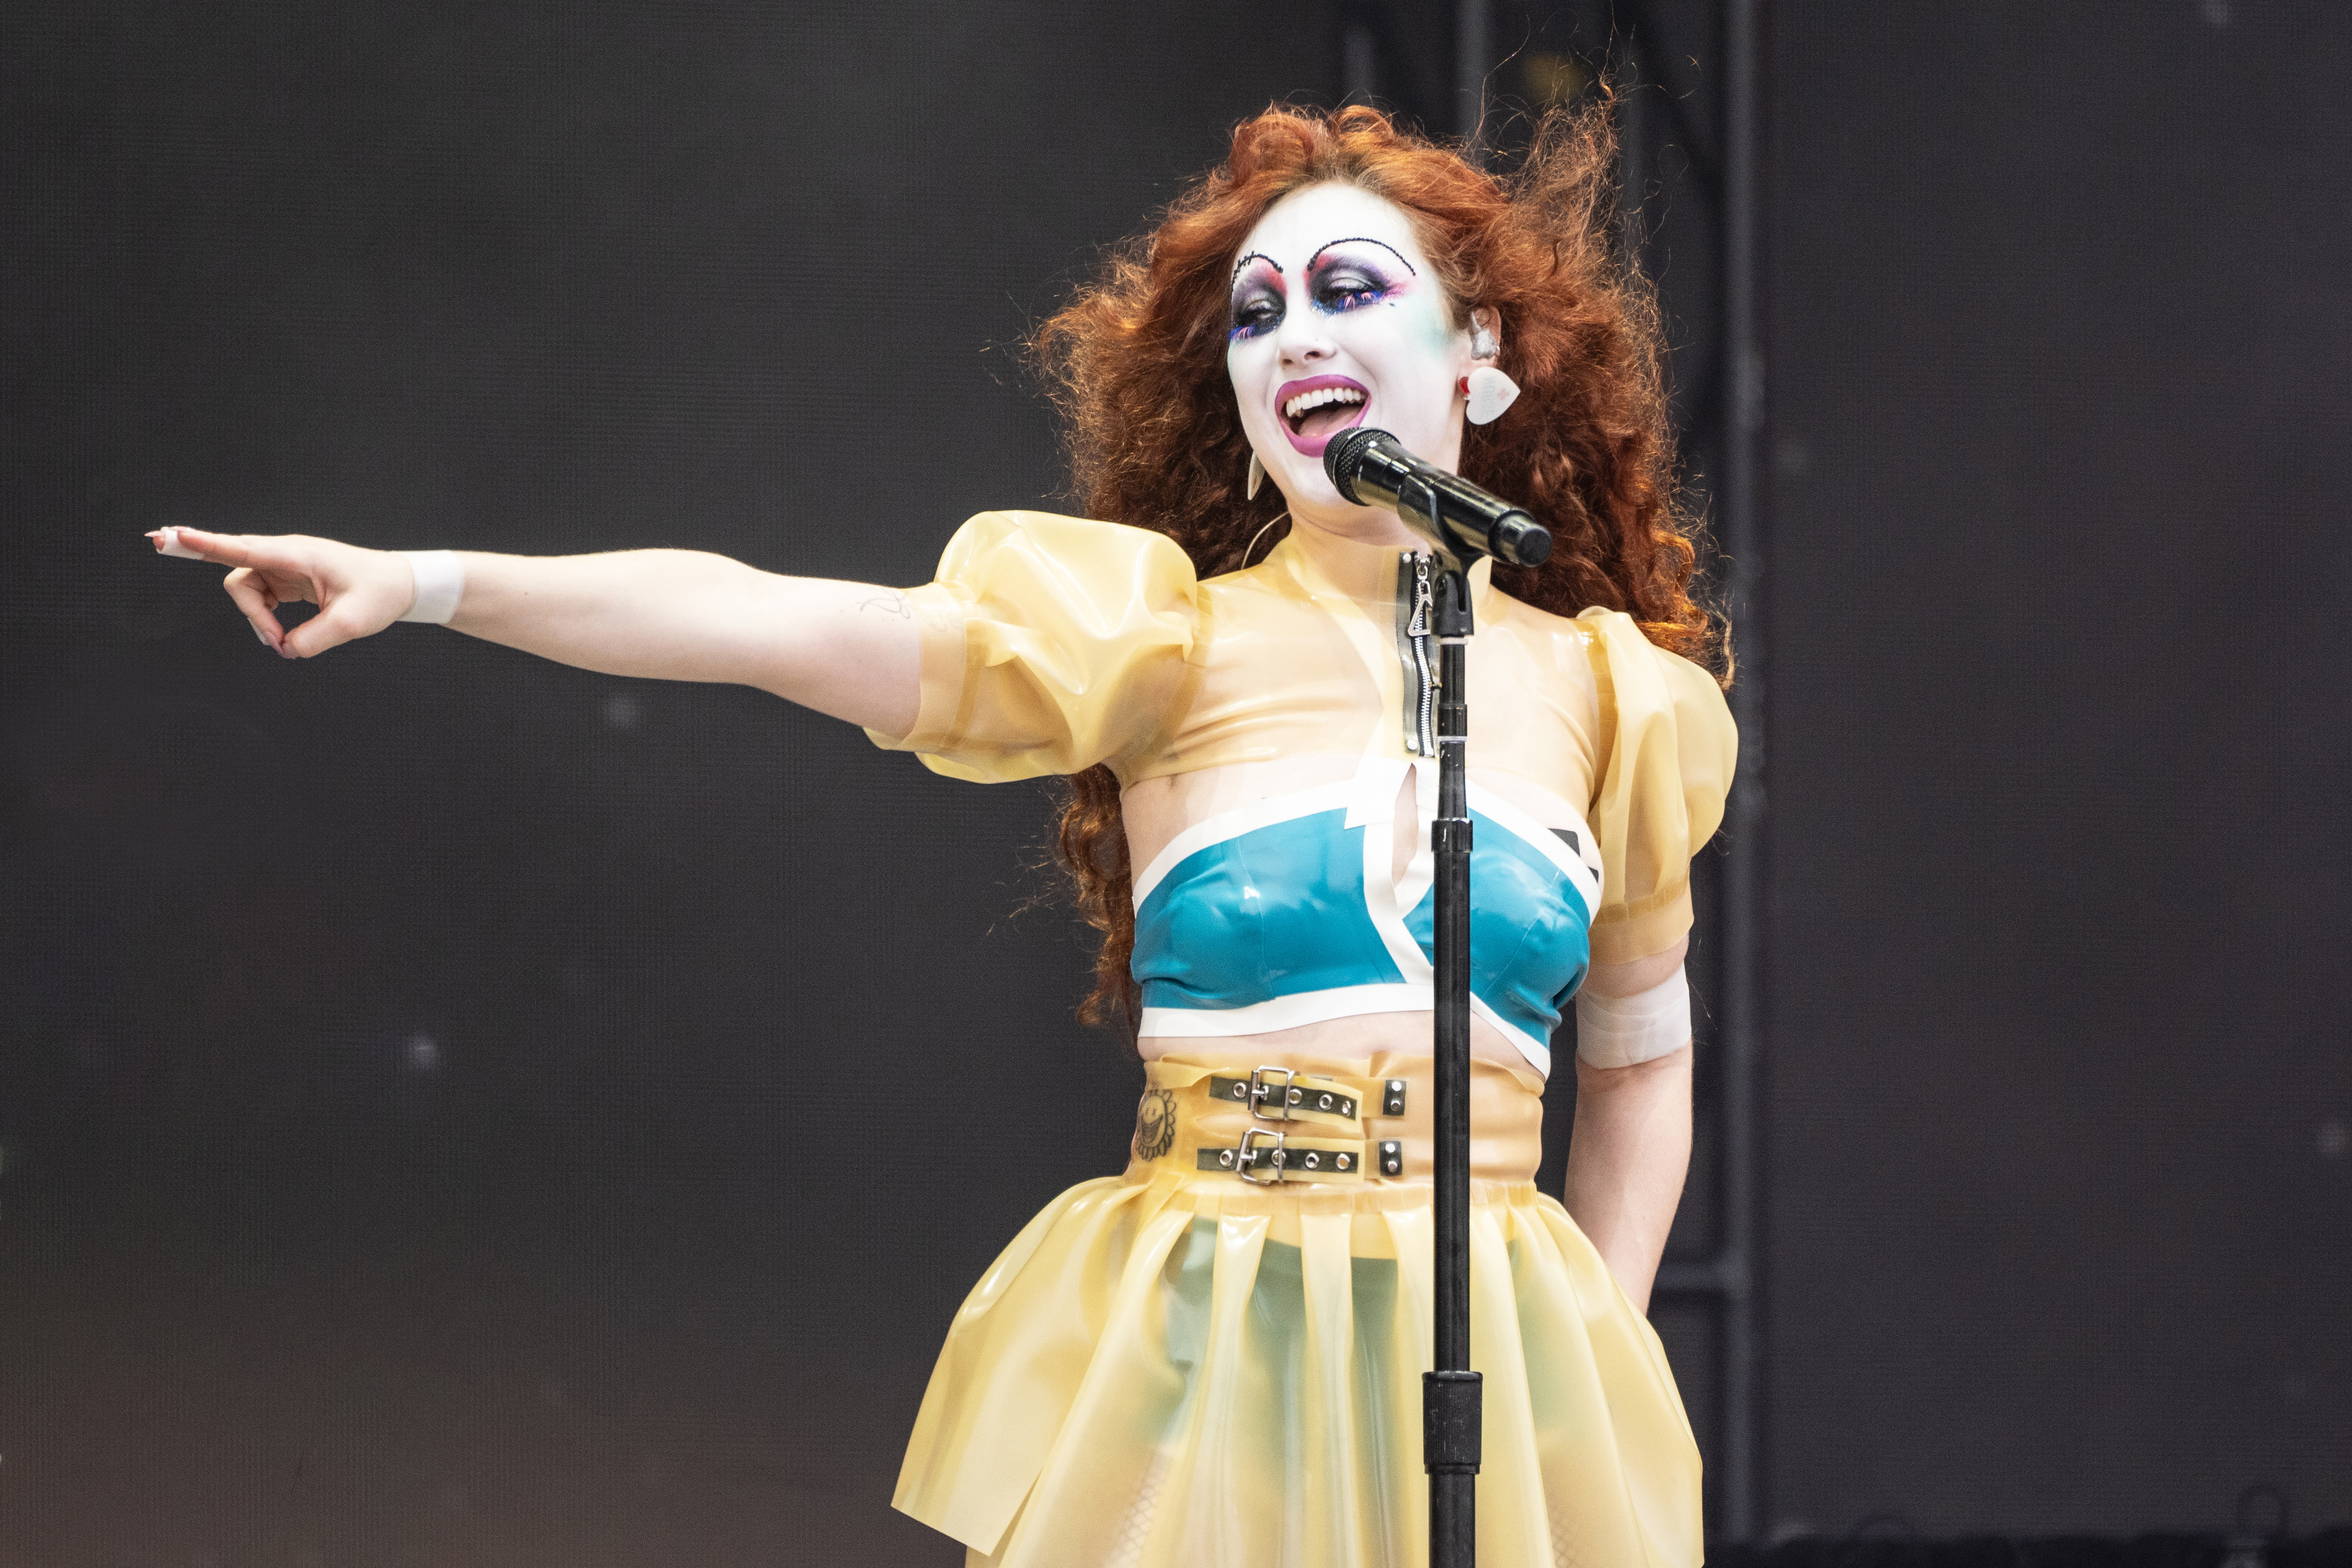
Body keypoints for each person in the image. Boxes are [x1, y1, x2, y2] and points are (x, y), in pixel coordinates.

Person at [151, 102, 1732, 1568]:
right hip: (1215, 1345)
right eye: (1258, 314)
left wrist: (1592, 1336)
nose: (1294, 335)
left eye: (1345, 288)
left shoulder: (1611, 697)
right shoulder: (1154, 639)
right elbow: (764, 619)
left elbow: (1644, 1057)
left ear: (1481, 349)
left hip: (1492, 1345)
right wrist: (428, 579)